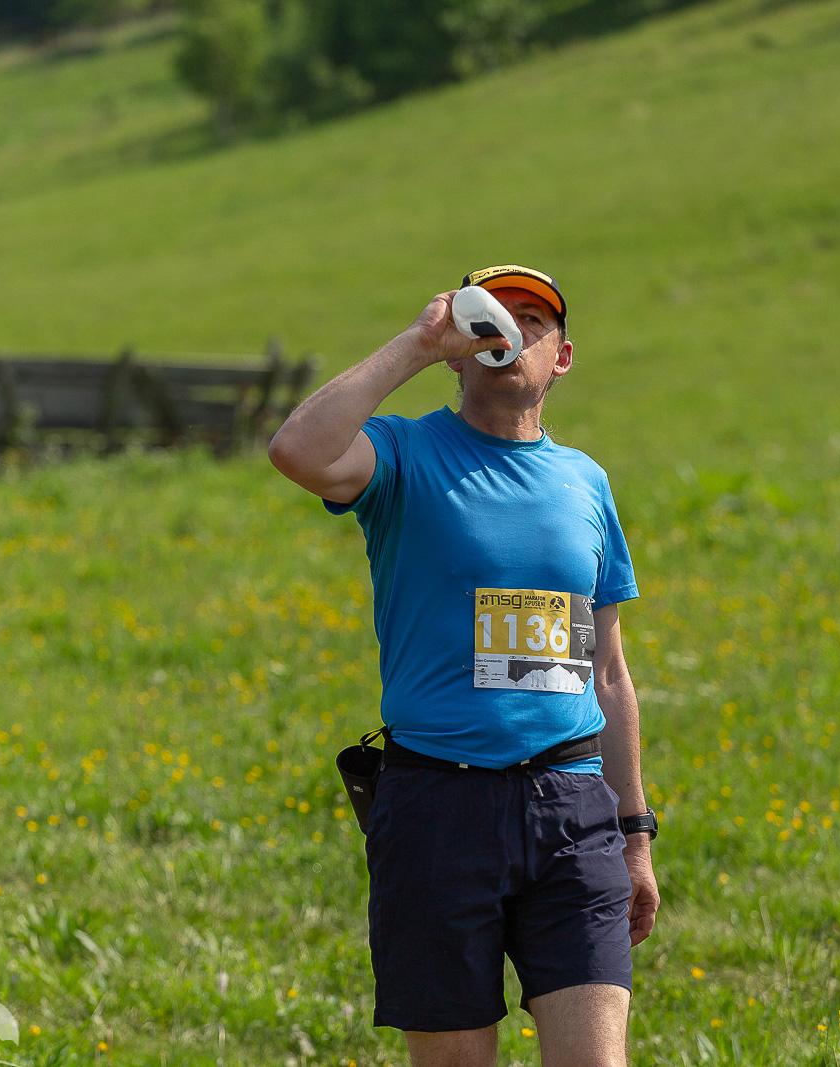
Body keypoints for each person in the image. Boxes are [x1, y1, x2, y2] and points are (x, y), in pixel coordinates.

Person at [268, 265, 659, 1067]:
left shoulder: (586, 482)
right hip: (436, 809)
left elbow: (610, 673)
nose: (509, 332)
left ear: (562, 357)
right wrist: (419, 344)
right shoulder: (404, 453)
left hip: (570, 807)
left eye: (533, 320)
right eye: (493, 317)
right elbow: (297, 450)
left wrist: (635, 834)